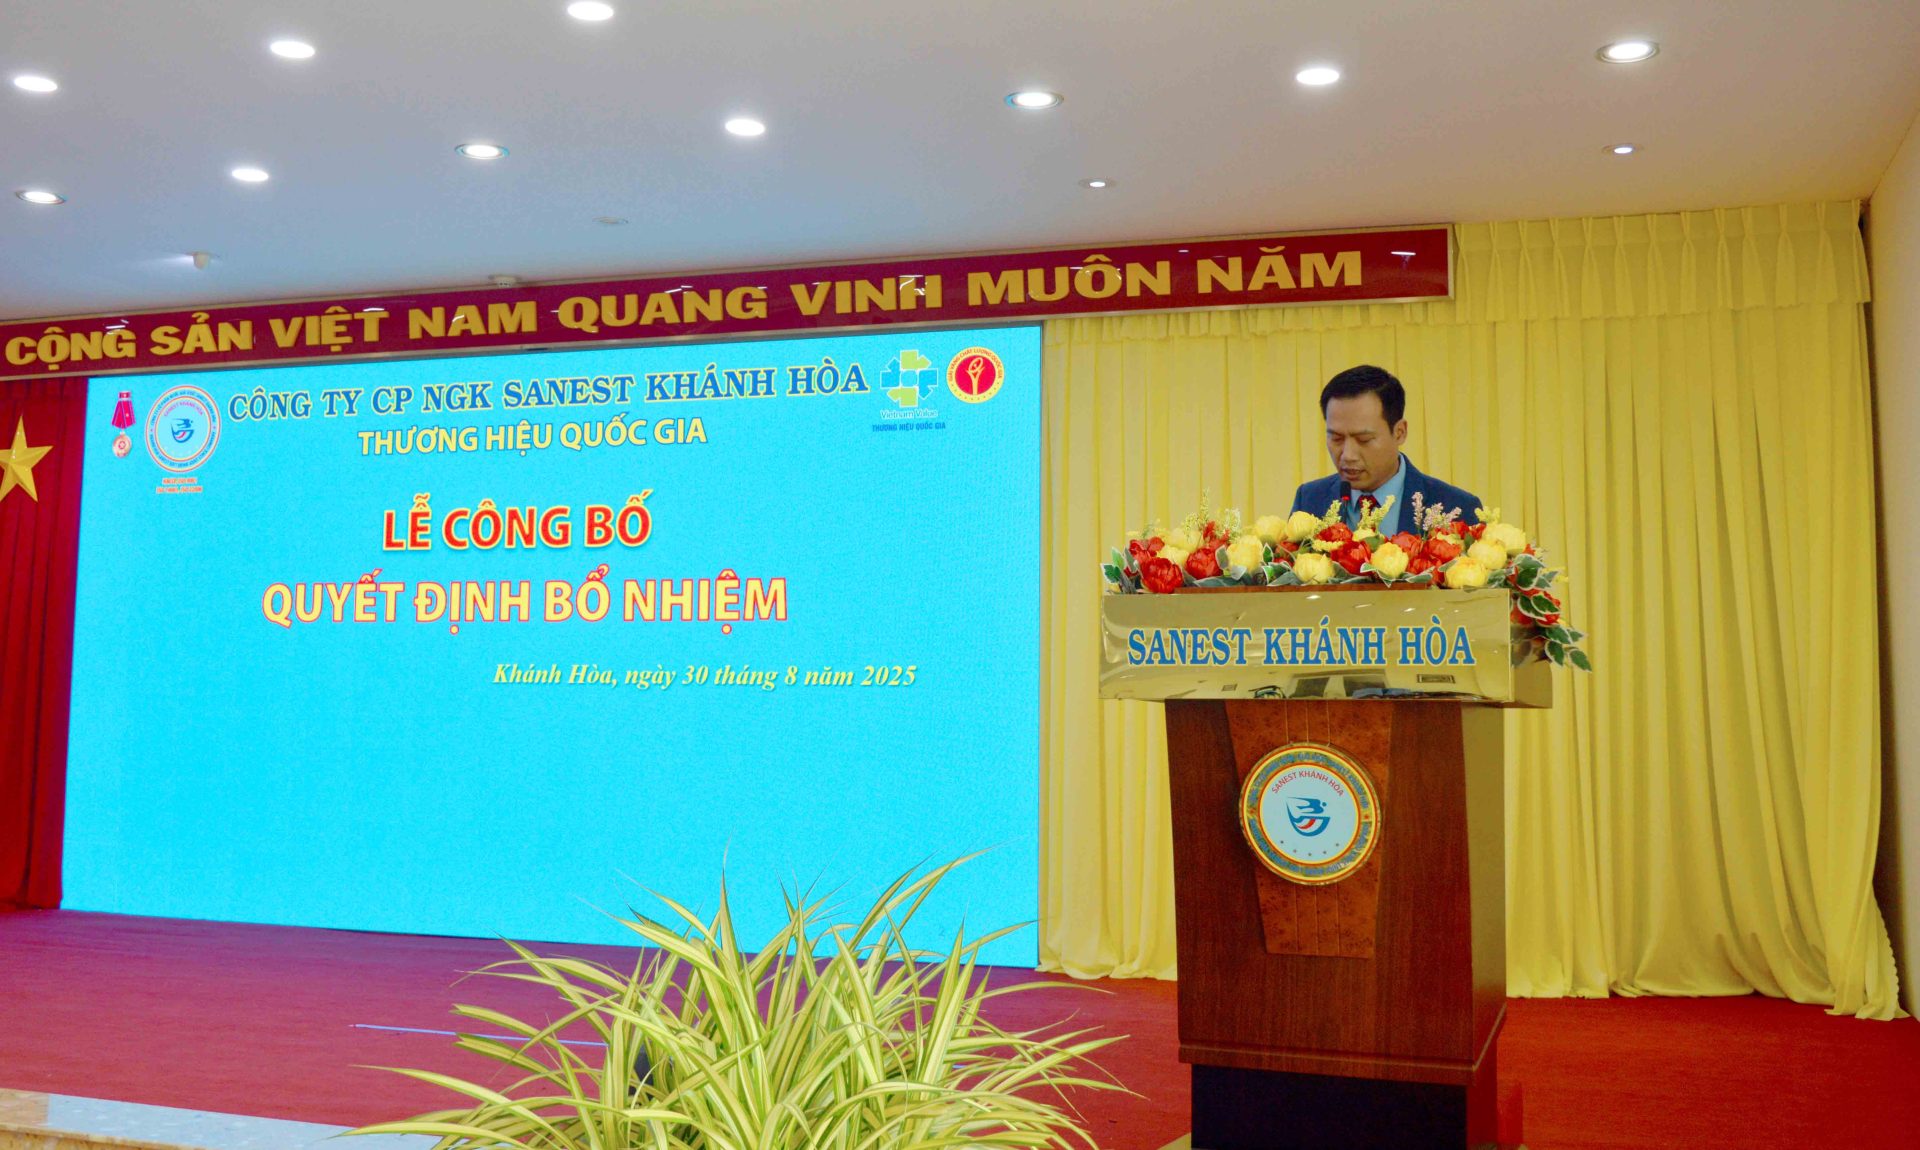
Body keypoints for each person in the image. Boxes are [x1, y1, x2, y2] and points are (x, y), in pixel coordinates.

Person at [1289, 365, 1480, 536]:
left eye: (1364, 440)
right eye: (1336, 438)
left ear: (1399, 432)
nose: (1348, 455)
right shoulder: (1310, 501)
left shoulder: (1457, 508)